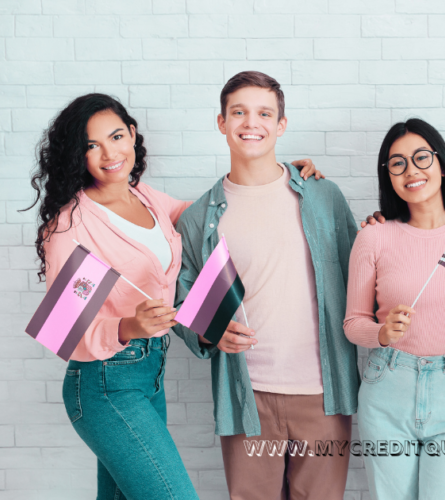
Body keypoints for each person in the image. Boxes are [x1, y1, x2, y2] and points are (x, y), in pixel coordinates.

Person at [173, 71, 358, 500]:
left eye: (263, 113)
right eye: (238, 112)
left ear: (281, 124)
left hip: (322, 393)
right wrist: (207, 330)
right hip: (246, 398)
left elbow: (362, 277)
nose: (249, 122)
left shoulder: (322, 196)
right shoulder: (200, 216)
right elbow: (182, 302)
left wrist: (388, 236)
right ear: (221, 122)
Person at [27, 93, 199, 499]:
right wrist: (129, 325)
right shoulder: (72, 226)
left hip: (149, 375)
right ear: (77, 155)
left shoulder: (145, 197)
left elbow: (203, 214)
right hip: (105, 385)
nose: (109, 153)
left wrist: (275, 178)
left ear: (133, 135)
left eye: (116, 136)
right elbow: (63, 328)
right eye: (91, 145)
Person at [344, 118, 445, 499]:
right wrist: (379, 333)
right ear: (389, 177)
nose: (411, 171)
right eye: (397, 164)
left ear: (442, 165)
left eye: (421, 158)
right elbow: (353, 322)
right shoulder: (375, 237)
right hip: (388, 386)